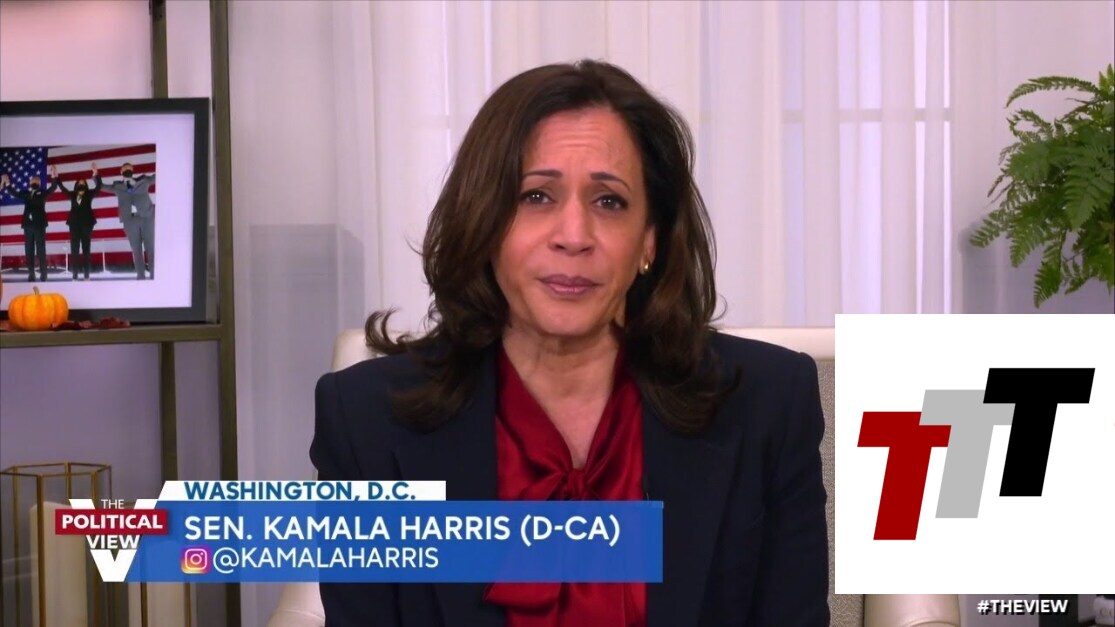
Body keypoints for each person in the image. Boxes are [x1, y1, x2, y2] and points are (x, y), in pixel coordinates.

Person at [311, 60, 829, 626]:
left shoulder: (769, 403)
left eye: (609, 201)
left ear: (649, 240)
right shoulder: (365, 421)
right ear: (486, 224)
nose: (574, 236)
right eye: (537, 196)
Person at [95, 161, 155, 279]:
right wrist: (95, 174)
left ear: (132, 170)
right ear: (121, 171)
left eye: (129, 168)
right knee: (136, 250)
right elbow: (101, 186)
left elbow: (158, 177)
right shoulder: (117, 187)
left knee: (151, 248)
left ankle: (154, 276)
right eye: (125, 168)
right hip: (129, 220)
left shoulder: (144, 181)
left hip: (146, 217)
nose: (128, 170)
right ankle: (140, 277)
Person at [0, 171, 60, 282]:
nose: (34, 182)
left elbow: (53, 188)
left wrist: (53, 176)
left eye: (36, 181)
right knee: (29, 251)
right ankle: (31, 274)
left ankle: (43, 274)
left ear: (39, 183)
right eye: (32, 181)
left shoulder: (42, 193)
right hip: (28, 226)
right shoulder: (26, 194)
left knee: (41, 250)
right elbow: (15, 193)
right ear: (30, 183)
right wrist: (7, 183)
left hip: (39, 225)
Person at [52, 164, 102, 280]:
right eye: (79, 183)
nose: (81, 184)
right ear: (76, 185)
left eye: (83, 183)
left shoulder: (90, 193)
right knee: (74, 250)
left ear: (86, 185)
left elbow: (99, 186)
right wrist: (56, 176)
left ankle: (86, 275)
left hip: (87, 224)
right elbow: (62, 188)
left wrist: (96, 173)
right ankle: (75, 275)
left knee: (86, 250)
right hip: (74, 225)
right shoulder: (73, 195)